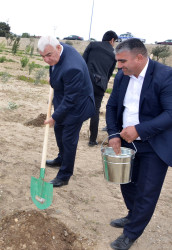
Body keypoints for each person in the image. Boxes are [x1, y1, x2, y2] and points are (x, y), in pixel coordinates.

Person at [106, 38, 172, 250]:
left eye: (123, 61)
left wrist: (139, 130)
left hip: (154, 144)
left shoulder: (164, 76)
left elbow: (170, 114)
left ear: (140, 58)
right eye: (118, 61)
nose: (119, 66)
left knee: (146, 191)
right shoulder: (121, 76)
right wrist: (114, 134)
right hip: (126, 142)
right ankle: (133, 216)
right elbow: (111, 106)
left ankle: (131, 233)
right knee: (126, 183)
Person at [38, 36, 95, 187]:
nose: (46, 60)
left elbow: (71, 99)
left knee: (69, 140)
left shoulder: (72, 68)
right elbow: (54, 66)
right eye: (42, 56)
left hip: (78, 106)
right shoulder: (57, 49)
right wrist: (53, 77)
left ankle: (64, 175)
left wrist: (54, 116)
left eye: (48, 55)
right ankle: (61, 158)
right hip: (66, 99)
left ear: (57, 49)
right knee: (58, 130)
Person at [83, 30, 118, 147]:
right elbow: (109, 74)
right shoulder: (113, 55)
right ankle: (92, 140)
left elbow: (82, 62)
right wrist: (103, 84)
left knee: (78, 105)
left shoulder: (93, 45)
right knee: (95, 111)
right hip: (100, 85)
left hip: (86, 81)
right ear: (112, 40)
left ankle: (71, 130)